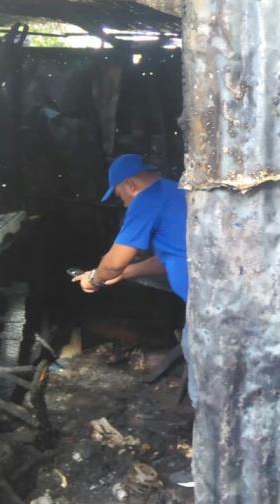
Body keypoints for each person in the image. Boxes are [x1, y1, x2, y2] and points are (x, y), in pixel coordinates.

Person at [72, 153, 195, 402]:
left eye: (120, 197)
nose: (125, 205)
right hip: (205, 296)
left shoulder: (145, 201)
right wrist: (126, 273)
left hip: (205, 301)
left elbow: (115, 260)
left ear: (130, 185)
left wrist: (95, 279)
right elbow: (168, 258)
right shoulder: (174, 191)